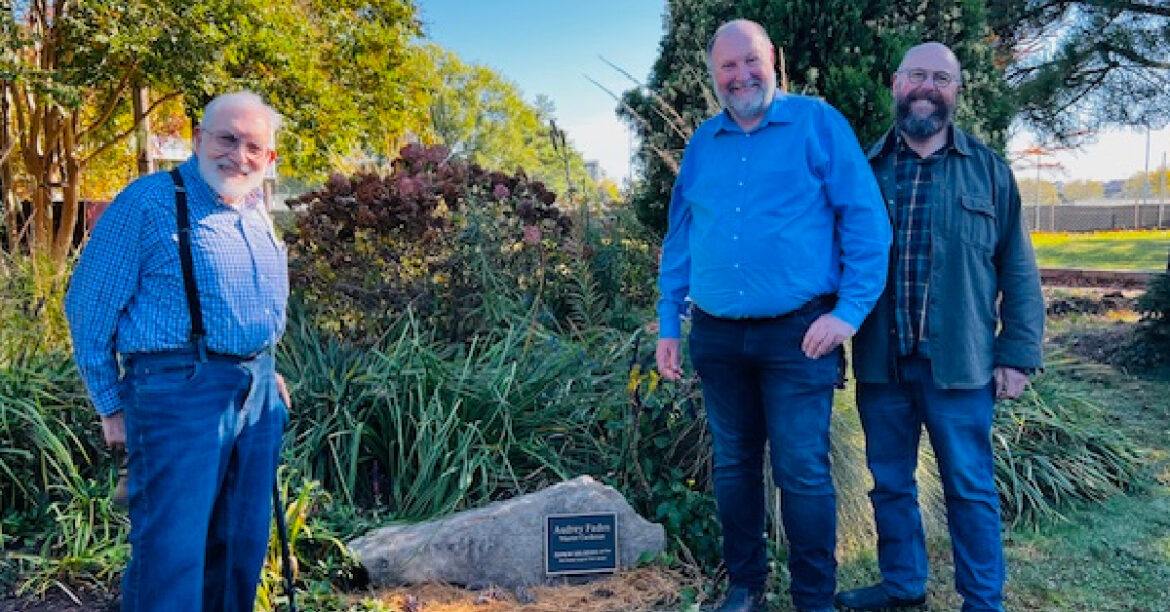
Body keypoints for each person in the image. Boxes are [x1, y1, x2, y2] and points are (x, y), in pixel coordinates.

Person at [654, 19, 891, 612]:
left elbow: (866, 223)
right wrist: (668, 323)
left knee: (802, 471)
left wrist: (849, 313)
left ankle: (814, 598)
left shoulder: (819, 125)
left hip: (798, 337)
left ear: (774, 62)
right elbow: (680, 237)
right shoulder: (702, 145)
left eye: (750, 61)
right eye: (727, 67)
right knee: (734, 466)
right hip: (715, 335)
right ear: (714, 77)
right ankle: (746, 588)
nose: (740, 76)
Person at [66, 91, 293, 612]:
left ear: (270, 158)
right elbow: (87, 307)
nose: (239, 155)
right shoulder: (147, 203)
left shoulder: (258, 211)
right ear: (198, 139)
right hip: (175, 392)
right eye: (227, 138)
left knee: (240, 545)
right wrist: (109, 404)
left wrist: (265, 370)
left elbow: (255, 304)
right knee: (173, 552)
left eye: (254, 146)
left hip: (254, 394)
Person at [837, 42, 1044, 612]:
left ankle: (982, 600)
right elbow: (834, 256)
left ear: (955, 91)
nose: (927, 86)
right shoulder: (864, 169)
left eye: (941, 78)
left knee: (970, 489)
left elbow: (1019, 270)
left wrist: (1017, 354)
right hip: (883, 363)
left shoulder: (988, 171)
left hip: (962, 366)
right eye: (916, 75)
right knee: (891, 485)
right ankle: (903, 585)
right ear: (896, 84)